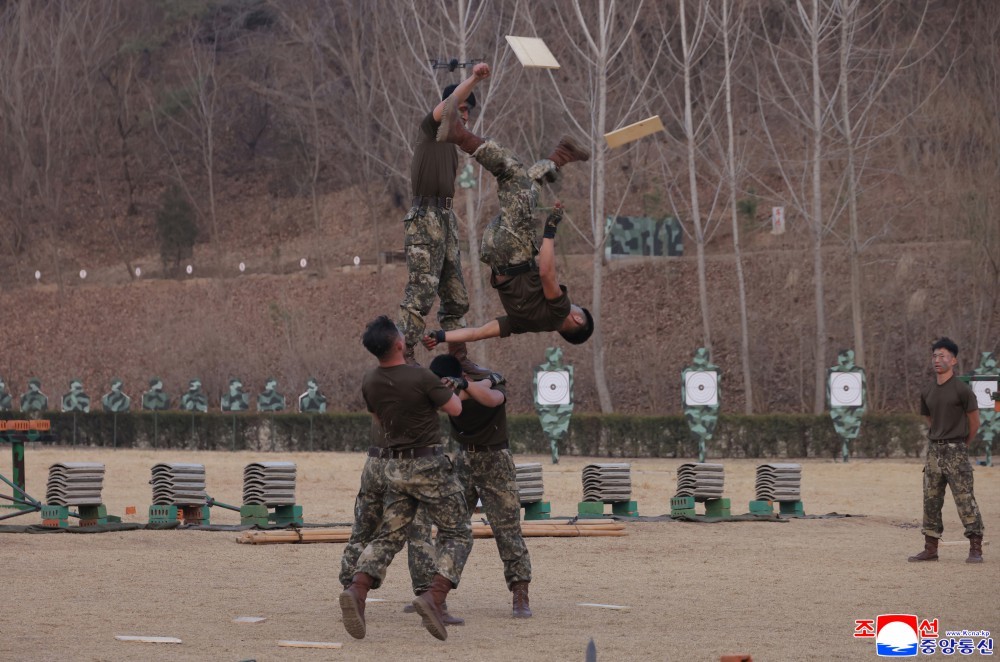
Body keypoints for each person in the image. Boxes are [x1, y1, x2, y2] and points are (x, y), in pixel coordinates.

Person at [339, 315, 472, 642]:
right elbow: (456, 409)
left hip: (395, 469)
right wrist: (445, 391)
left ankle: (357, 589)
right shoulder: (422, 376)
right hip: (428, 466)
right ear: (399, 344)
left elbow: (379, 418)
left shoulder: (370, 380)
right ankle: (434, 596)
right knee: (459, 532)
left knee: (389, 536)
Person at [422, 104, 593, 349]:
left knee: (511, 172)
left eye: (577, 308)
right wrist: (441, 337)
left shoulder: (561, 311)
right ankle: (560, 156)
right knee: (525, 188)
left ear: (577, 318)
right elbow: (478, 333)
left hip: (515, 249)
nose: (573, 305)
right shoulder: (525, 325)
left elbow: (546, 272)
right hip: (493, 248)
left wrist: (551, 228)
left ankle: (458, 134)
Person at [407, 354, 533, 618]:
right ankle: (436, 596)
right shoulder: (472, 386)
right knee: (450, 529)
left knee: (507, 531)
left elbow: (491, 399)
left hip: (496, 460)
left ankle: (520, 593)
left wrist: (472, 384)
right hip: (464, 460)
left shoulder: (492, 385)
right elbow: (453, 400)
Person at [398, 62, 491, 375]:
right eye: (461, 109)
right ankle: (404, 356)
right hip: (425, 217)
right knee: (421, 290)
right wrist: (474, 78)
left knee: (456, 296)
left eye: (468, 112)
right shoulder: (431, 129)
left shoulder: (453, 144)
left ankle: (458, 358)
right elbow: (449, 107)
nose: (464, 115)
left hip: (445, 218)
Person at [908, 337, 985, 564]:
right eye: (934, 356)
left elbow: (974, 422)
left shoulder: (963, 390)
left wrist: (962, 444)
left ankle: (975, 548)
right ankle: (930, 548)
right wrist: (939, 436)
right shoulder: (927, 391)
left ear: (953, 360)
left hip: (956, 450)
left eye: (942, 356)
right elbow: (929, 418)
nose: (937, 360)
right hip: (934, 452)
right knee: (931, 499)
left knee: (965, 499)